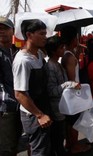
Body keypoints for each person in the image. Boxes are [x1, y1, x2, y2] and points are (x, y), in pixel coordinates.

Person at [12, 19, 52, 155]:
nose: (45, 38)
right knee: (39, 151)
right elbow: (19, 94)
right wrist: (39, 115)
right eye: (41, 34)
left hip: (43, 109)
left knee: (42, 148)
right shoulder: (22, 61)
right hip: (33, 115)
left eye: (45, 34)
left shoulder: (39, 54)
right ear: (29, 35)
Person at [44, 35, 80, 155]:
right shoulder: (50, 67)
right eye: (61, 48)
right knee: (57, 141)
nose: (63, 49)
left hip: (61, 109)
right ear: (54, 50)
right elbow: (51, 91)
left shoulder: (57, 64)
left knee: (60, 138)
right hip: (56, 111)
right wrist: (68, 84)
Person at [60, 26, 91, 154]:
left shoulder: (68, 54)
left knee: (70, 122)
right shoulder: (69, 57)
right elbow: (72, 80)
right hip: (73, 94)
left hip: (69, 94)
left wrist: (77, 54)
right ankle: (75, 146)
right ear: (74, 39)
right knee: (74, 122)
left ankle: (69, 144)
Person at [0, 16, 22, 156]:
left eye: (5, 28)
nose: (1, 31)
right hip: (4, 109)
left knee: (14, 146)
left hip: (17, 107)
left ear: (12, 31)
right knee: (6, 149)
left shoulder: (13, 52)